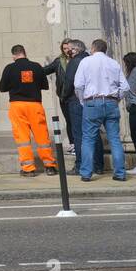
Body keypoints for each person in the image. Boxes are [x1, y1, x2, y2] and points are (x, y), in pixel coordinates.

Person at [72, 38, 128, 182]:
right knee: (115, 139)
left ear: (93, 48)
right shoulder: (113, 63)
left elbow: (78, 85)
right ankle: (120, 173)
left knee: (88, 139)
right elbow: (125, 87)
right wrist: (116, 99)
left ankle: (86, 173)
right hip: (110, 102)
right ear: (105, 49)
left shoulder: (86, 62)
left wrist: (82, 100)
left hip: (92, 101)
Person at [0, 44, 58, 177]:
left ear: (14, 55)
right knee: (42, 135)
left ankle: (28, 168)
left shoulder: (9, 68)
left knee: (22, 138)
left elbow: (2, 88)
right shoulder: (36, 67)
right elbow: (45, 86)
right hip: (35, 104)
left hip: (17, 105)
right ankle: (50, 167)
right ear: (25, 53)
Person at [59, 38, 105, 177]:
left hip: (76, 101)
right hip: (93, 100)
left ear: (76, 49)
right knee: (94, 133)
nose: (69, 52)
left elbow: (70, 82)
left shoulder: (76, 61)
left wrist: (64, 96)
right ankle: (98, 165)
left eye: (71, 49)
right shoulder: (91, 60)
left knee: (79, 135)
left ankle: (80, 165)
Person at [41, 40, 75, 155]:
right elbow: (45, 70)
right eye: (64, 48)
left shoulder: (78, 59)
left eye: (68, 48)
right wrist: (32, 69)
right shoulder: (59, 61)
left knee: (77, 121)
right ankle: (73, 144)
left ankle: (79, 144)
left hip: (76, 96)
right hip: (64, 96)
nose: (67, 51)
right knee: (69, 121)